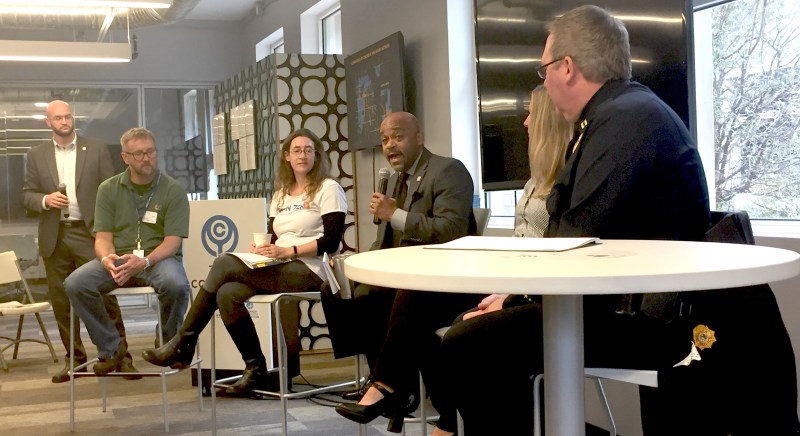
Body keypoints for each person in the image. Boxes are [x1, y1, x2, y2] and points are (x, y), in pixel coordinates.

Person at [436, 5, 713, 435]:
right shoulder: (621, 113)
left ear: (567, 67)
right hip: (623, 307)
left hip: (647, 325)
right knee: (472, 338)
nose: (542, 80)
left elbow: (574, 239)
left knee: (466, 347)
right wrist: (515, 294)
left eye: (542, 68)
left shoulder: (624, 120)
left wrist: (513, 297)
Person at [142, 128, 348, 395]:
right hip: (280, 265)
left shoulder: (328, 188)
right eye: (296, 150)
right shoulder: (282, 193)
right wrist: (264, 248)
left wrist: (290, 251)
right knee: (227, 294)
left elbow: (331, 241)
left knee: (224, 263)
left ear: (316, 155)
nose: (303, 155)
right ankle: (255, 369)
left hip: (311, 269)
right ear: (287, 156)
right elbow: (276, 237)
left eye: (309, 150)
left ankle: (184, 341)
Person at [332, 112, 483, 433]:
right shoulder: (396, 180)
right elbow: (387, 243)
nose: (390, 146)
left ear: (419, 137)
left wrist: (395, 213)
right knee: (349, 290)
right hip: (415, 285)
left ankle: (386, 385)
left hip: (451, 285)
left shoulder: (448, 170)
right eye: (385, 139)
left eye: (397, 137)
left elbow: (452, 229)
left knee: (406, 297)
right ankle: (393, 385)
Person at [21, 100, 139, 383]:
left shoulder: (96, 149)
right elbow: (26, 195)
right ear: (48, 122)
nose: (65, 121)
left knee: (104, 295)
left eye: (68, 116)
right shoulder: (36, 155)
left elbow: (112, 192)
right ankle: (75, 360)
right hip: (55, 235)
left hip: (90, 234)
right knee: (61, 303)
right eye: (58, 118)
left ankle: (122, 357)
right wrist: (45, 200)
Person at [64, 127, 191, 375]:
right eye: (139, 153)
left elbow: (173, 242)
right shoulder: (108, 189)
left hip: (158, 258)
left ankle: (168, 344)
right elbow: (102, 238)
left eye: (151, 152)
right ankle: (111, 349)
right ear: (125, 157)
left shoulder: (172, 189)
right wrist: (106, 258)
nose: (146, 158)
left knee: (177, 284)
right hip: (120, 257)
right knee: (76, 283)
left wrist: (143, 262)